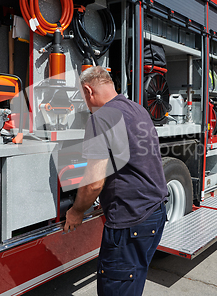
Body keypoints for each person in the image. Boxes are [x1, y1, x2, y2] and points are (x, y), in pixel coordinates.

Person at [63, 66, 168, 295]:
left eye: (83, 98)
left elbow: (93, 183)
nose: (85, 104)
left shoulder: (100, 118)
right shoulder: (137, 109)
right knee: (133, 283)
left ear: (89, 90)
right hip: (154, 213)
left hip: (130, 221)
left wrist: (77, 211)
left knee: (117, 288)